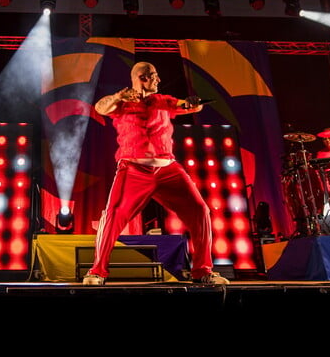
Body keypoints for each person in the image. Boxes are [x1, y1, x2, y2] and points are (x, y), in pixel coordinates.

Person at [81, 61, 229, 286]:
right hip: (133, 169)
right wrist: (118, 97)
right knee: (113, 214)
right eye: (155, 76)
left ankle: (202, 271)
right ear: (143, 78)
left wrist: (192, 103)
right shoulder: (122, 103)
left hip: (168, 169)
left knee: (200, 210)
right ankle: (97, 272)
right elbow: (101, 107)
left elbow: (187, 105)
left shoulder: (163, 100)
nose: (159, 80)